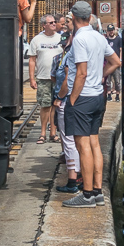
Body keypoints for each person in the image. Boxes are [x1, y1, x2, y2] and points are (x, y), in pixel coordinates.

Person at [61, 1, 120, 209]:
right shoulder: (98, 36)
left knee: (82, 145)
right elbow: (116, 62)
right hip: (97, 97)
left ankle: (86, 195)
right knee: (94, 143)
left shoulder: (80, 39)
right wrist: (101, 78)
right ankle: (97, 191)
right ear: (89, 17)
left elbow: (81, 72)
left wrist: (73, 98)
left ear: (75, 18)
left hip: (83, 97)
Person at [51, 31, 81, 193]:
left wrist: (59, 98)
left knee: (69, 140)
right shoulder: (65, 54)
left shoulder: (71, 55)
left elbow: (68, 81)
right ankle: (81, 178)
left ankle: (72, 180)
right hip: (80, 99)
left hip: (67, 100)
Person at [27, 14, 64, 145]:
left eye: (55, 22)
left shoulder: (61, 38)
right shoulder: (37, 40)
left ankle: (53, 132)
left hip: (58, 78)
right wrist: (32, 78)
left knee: (55, 105)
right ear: (44, 25)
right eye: (51, 22)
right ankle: (42, 133)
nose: (54, 24)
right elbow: (32, 60)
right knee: (45, 105)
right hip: (43, 77)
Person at [104, 24, 124, 101]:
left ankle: (117, 95)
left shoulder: (118, 39)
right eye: (109, 30)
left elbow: (121, 49)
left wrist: (120, 60)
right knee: (108, 80)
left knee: (117, 80)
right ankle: (109, 94)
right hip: (108, 62)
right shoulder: (105, 40)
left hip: (116, 62)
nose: (111, 32)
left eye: (112, 30)